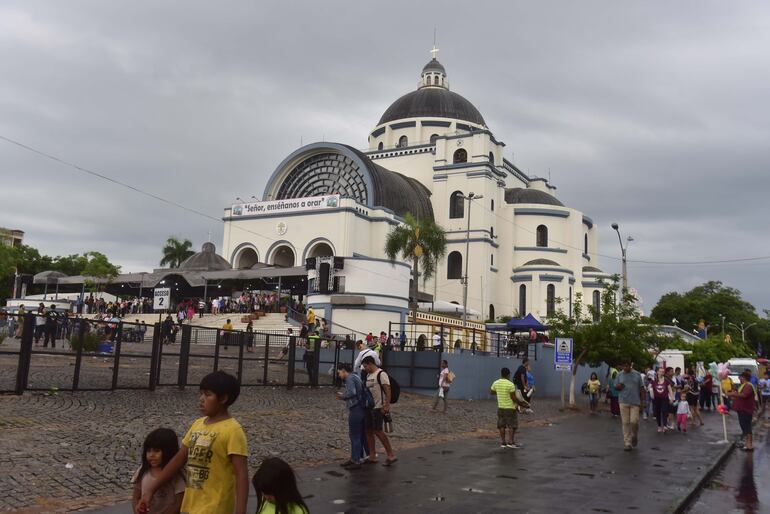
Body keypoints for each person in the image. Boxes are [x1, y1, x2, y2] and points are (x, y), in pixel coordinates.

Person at [135, 371, 249, 514]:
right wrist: (151, 490)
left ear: (223, 398)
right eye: (201, 393)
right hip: (192, 505)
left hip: (215, 507)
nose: (201, 399)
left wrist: (240, 511)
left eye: (208, 395)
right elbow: (178, 460)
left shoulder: (233, 430)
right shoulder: (198, 424)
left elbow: (241, 474)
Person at [131, 428, 185, 514]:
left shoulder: (175, 475)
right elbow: (136, 496)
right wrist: (136, 510)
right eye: (148, 451)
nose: (151, 455)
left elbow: (178, 503)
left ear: (168, 452)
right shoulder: (143, 470)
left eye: (156, 451)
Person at [361, 355, 397, 466]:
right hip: (369, 407)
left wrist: (386, 405)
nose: (364, 368)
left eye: (365, 366)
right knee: (368, 431)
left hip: (378, 408)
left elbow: (388, 389)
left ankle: (391, 454)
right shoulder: (368, 375)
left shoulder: (381, 374)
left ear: (371, 364)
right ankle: (372, 455)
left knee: (378, 431)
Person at [336, 363, 366, 469]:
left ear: (344, 370)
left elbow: (352, 392)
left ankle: (356, 460)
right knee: (358, 435)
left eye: (339, 372)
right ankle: (355, 458)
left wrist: (342, 396)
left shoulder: (349, 378)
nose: (339, 375)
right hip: (360, 408)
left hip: (356, 408)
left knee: (354, 435)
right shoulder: (355, 376)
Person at [490, 367, 529, 448]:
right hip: (510, 408)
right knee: (512, 425)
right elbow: (513, 398)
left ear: (501, 374)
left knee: (501, 426)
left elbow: (492, 392)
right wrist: (522, 404)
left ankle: (503, 442)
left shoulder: (496, 383)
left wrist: (500, 391)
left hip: (500, 407)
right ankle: (510, 442)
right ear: (508, 375)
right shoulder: (510, 384)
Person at [614, 360, 645, 451]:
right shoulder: (619, 375)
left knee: (634, 421)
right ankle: (627, 443)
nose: (625, 368)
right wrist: (618, 386)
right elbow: (615, 386)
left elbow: (642, 388)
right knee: (625, 423)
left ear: (630, 365)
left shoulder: (637, 374)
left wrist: (643, 403)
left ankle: (634, 436)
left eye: (627, 366)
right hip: (623, 401)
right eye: (624, 366)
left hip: (635, 402)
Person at [728, 371, 757, 451]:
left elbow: (744, 395)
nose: (739, 379)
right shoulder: (744, 385)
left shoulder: (748, 386)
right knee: (744, 427)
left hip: (745, 410)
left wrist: (733, 394)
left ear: (743, 378)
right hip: (742, 409)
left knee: (747, 427)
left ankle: (749, 445)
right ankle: (747, 444)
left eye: (740, 377)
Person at [651, 367, 674, 433]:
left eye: (663, 371)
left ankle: (664, 426)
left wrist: (671, 398)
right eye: (660, 371)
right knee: (657, 412)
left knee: (664, 411)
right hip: (656, 399)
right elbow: (649, 387)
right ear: (657, 372)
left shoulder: (666, 380)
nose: (662, 373)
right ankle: (659, 426)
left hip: (665, 398)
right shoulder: (654, 380)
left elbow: (670, 389)